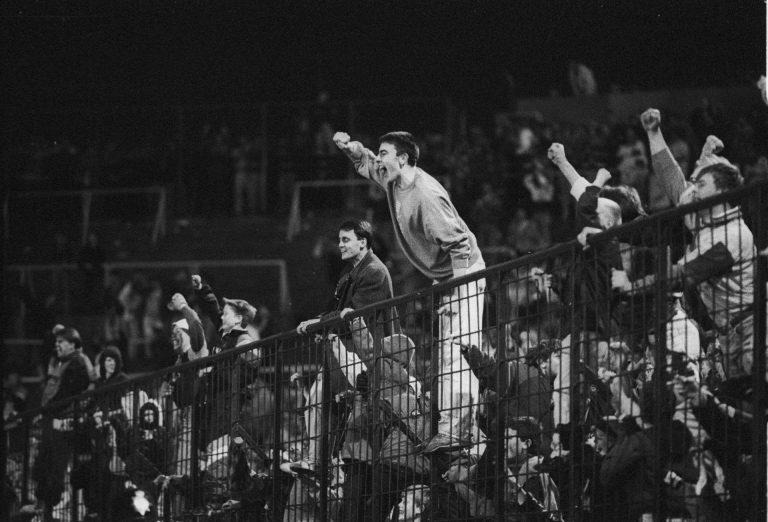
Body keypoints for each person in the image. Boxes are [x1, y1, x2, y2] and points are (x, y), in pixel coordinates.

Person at [334, 130, 486, 453]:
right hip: (447, 277)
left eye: (385, 152)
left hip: (465, 272)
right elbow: (368, 163)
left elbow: (459, 244)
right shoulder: (393, 179)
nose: (380, 158)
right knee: (448, 353)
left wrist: (458, 291)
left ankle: (460, 431)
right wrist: (351, 148)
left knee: (459, 352)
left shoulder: (426, 195)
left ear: (403, 158)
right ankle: (456, 428)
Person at [614, 108, 755, 379]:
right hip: (729, 333)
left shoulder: (730, 237)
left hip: (750, 328)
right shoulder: (704, 215)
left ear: (723, 191)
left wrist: (631, 287)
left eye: (701, 183)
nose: (694, 188)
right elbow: (673, 180)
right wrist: (653, 132)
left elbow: (679, 277)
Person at [30, 327, 92, 521]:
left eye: (61, 342)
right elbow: (45, 351)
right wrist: (52, 335)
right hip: (52, 420)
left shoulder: (77, 363)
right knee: (43, 466)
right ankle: (44, 507)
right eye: (56, 343)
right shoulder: (60, 361)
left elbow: (67, 393)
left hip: (62, 423)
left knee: (55, 468)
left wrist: (48, 411)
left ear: (73, 344)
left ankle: (50, 509)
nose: (57, 346)